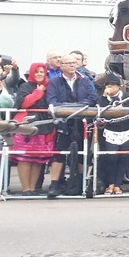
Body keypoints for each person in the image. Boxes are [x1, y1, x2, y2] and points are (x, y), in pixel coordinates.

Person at [45, 54, 97, 198]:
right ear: (61, 66)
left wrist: (77, 107)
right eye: (69, 63)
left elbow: (92, 98)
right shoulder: (54, 82)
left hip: (81, 122)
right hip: (62, 122)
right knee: (59, 153)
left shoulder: (85, 80)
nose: (72, 65)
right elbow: (51, 100)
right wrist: (69, 108)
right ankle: (54, 184)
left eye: (74, 63)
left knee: (82, 153)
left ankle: (80, 183)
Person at [11, 62, 55, 195]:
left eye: (42, 72)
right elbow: (23, 103)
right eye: (37, 72)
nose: (39, 74)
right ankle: (26, 189)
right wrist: (38, 92)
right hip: (26, 125)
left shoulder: (50, 87)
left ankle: (32, 188)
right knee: (25, 158)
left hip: (44, 125)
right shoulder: (25, 86)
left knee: (37, 159)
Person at [94, 73, 129, 195]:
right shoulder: (101, 98)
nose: (110, 87)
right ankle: (110, 184)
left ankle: (118, 184)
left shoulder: (127, 97)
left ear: (119, 86)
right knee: (111, 157)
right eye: (108, 85)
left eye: (113, 85)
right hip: (111, 131)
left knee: (123, 158)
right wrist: (105, 98)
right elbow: (99, 110)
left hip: (127, 130)